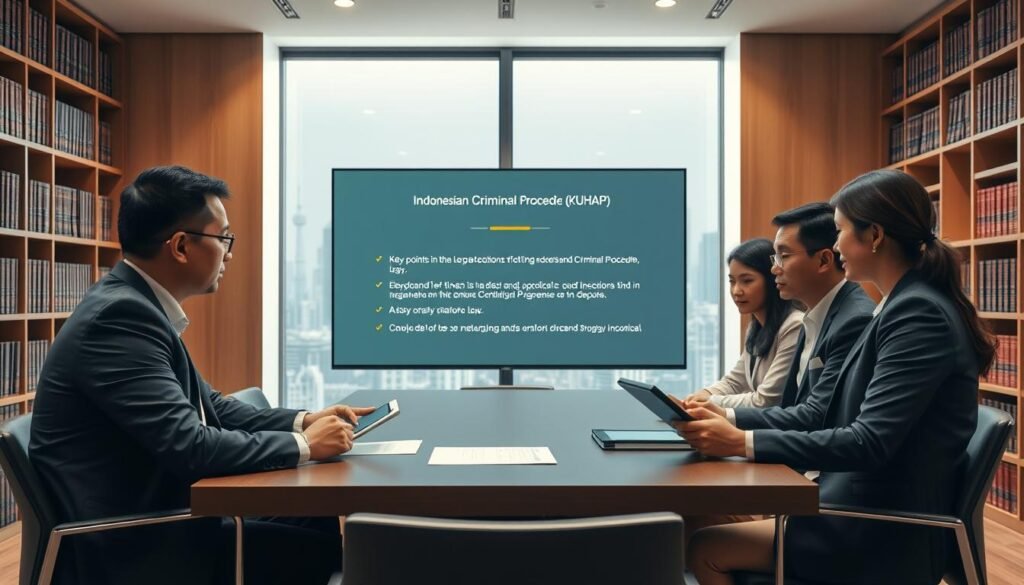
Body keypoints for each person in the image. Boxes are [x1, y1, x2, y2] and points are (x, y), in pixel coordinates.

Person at [30, 166, 371, 585]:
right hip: (137, 543)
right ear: (180, 246)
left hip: (162, 514)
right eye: (223, 237)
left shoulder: (135, 306)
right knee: (320, 549)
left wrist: (304, 421)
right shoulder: (119, 318)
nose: (229, 253)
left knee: (309, 517)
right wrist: (303, 446)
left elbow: (212, 407)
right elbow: (190, 445)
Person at [679, 169, 994, 585]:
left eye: (842, 231)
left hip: (880, 529)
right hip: (862, 510)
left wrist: (741, 441)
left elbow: (869, 440)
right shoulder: (900, 304)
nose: (836, 243)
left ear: (875, 235)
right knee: (701, 519)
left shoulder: (917, 314)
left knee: (705, 547)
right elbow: (828, 416)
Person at [678, 202, 876, 545]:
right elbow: (785, 402)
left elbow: (816, 414)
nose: (775, 269)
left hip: (826, 491)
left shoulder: (849, 319)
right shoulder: (816, 316)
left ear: (824, 260)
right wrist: (712, 406)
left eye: (782, 256)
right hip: (800, 473)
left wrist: (732, 427)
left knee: (696, 527)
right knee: (688, 513)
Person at [692, 238, 802, 408]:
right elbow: (735, 381)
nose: (736, 291)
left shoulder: (794, 326)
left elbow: (766, 400)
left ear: (772, 280)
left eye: (747, 281)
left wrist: (708, 402)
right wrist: (699, 396)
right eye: (732, 281)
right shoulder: (756, 327)